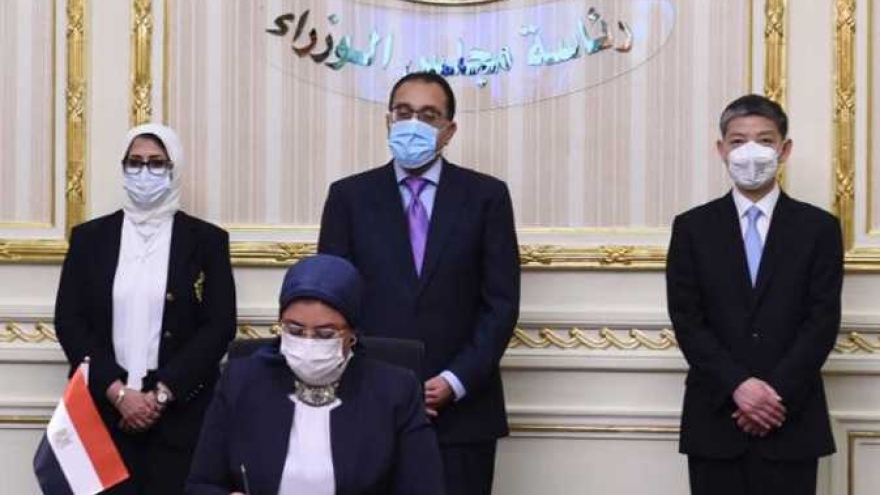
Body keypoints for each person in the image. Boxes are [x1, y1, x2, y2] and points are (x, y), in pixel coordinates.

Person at [318, 72, 520, 495]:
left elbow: (500, 305)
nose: (413, 124)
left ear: (449, 131)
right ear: (388, 120)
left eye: (428, 116)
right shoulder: (348, 197)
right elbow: (330, 305)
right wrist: (377, 383)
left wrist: (454, 381)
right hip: (369, 407)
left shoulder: (487, 197)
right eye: (404, 112)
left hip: (462, 416)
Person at [666, 94, 844, 495]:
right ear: (721, 150)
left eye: (764, 140)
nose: (751, 152)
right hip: (716, 418)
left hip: (791, 418)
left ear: (785, 149)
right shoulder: (692, 228)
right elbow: (687, 320)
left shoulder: (819, 228)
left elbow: (821, 322)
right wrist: (739, 387)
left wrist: (772, 396)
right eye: (738, 141)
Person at [54, 123, 237, 494]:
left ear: (174, 169)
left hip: (179, 415)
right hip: (102, 412)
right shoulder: (90, 238)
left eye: (156, 163)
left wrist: (160, 395)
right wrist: (118, 394)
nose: (144, 172)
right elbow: (70, 321)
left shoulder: (206, 241)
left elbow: (219, 325)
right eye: (135, 163)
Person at [186, 254, 444, 495]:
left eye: (325, 334)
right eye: (295, 330)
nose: (308, 342)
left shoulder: (395, 391)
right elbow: (201, 485)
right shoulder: (241, 381)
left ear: (352, 334)